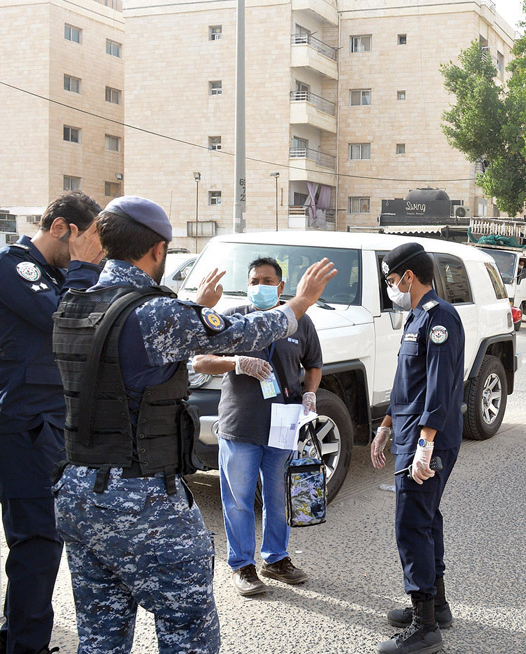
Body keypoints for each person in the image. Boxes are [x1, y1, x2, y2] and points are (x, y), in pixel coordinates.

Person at [50, 196, 336, 654]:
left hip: (79, 495)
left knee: (101, 637)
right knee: (188, 634)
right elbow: (241, 332)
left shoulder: (72, 304)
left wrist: (196, 307)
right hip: (141, 500)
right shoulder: (156, 312)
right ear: (158, 250)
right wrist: (300, 301)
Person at [0, 190, 104, 654]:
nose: (92, 253)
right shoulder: (13, 265)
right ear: (59, 228)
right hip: (21, 420)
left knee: (39, 538)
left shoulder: (57, 273)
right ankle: (26, 646)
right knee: (38, 540)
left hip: (48, 421)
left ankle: (18, 638)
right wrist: (84, 271)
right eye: (87, 241)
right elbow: (64, 321)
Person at [192, 257, 323, 597]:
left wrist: (310, 394)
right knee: (238, 498)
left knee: (277, 496)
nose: (259, 286)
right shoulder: (233, 318)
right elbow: (200, 359)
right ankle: (242, 566)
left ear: (281, 286)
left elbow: (313, 365)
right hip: (241, 423)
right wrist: (236, 362)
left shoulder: (299, 321)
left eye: (267, 280)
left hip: (282, 424)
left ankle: (276, 559)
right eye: (254, 280)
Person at [371, 242, 465, 654]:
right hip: (411, 432)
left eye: (392, 280)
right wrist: (387, 425)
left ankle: (425, 629)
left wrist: (424, 443)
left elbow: (442, 384)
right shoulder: (416, 318)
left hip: (429, 438)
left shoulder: (439, 318)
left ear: (409, 276)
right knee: (426, 518)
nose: (392, 287)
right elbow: (407, 382)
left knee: (411, 524)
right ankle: (436, 605)